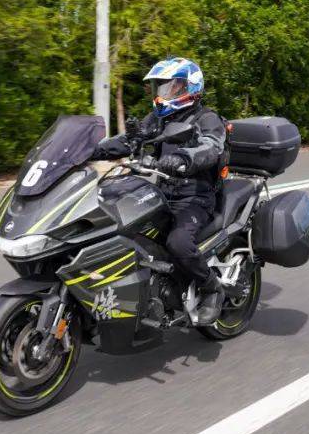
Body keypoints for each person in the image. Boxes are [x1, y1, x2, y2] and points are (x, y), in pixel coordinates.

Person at [92, 57, 226, 325]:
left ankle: (212, 288)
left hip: (195, 198)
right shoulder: (159, 118)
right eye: (160, 87)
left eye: (170, 86)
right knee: (118, 227)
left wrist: (183, 158)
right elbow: (132, 139)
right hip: (162, 193)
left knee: (178, 242)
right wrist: (92, 150)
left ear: (190, 87)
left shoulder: (208, 119)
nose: (163, 93)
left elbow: (211, 147)